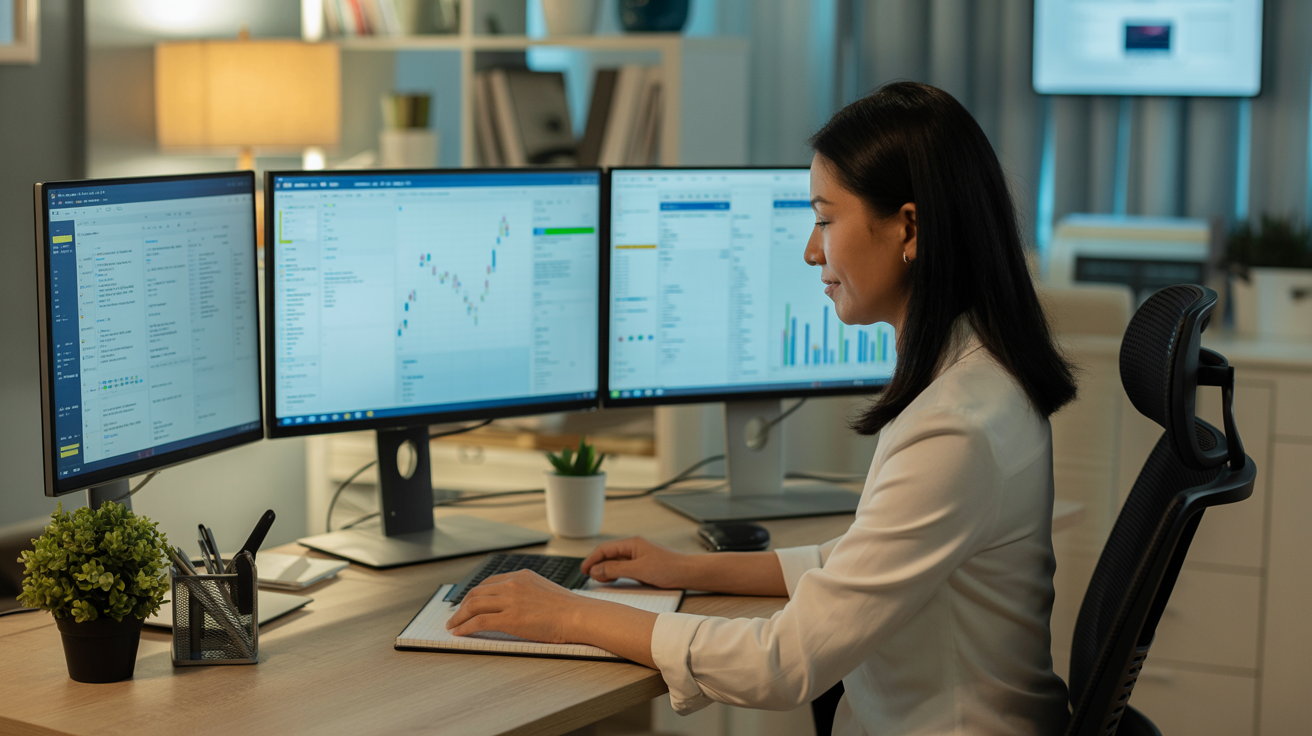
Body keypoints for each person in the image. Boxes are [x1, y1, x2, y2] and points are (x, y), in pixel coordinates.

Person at [445, 81, 1078, 736]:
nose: (812, 250)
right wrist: (688, 568)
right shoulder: (976, 378)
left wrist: (569, 615)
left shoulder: (956, 428)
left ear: (908, 227)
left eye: (826, 220)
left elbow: (783, 662)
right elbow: (862, 566)